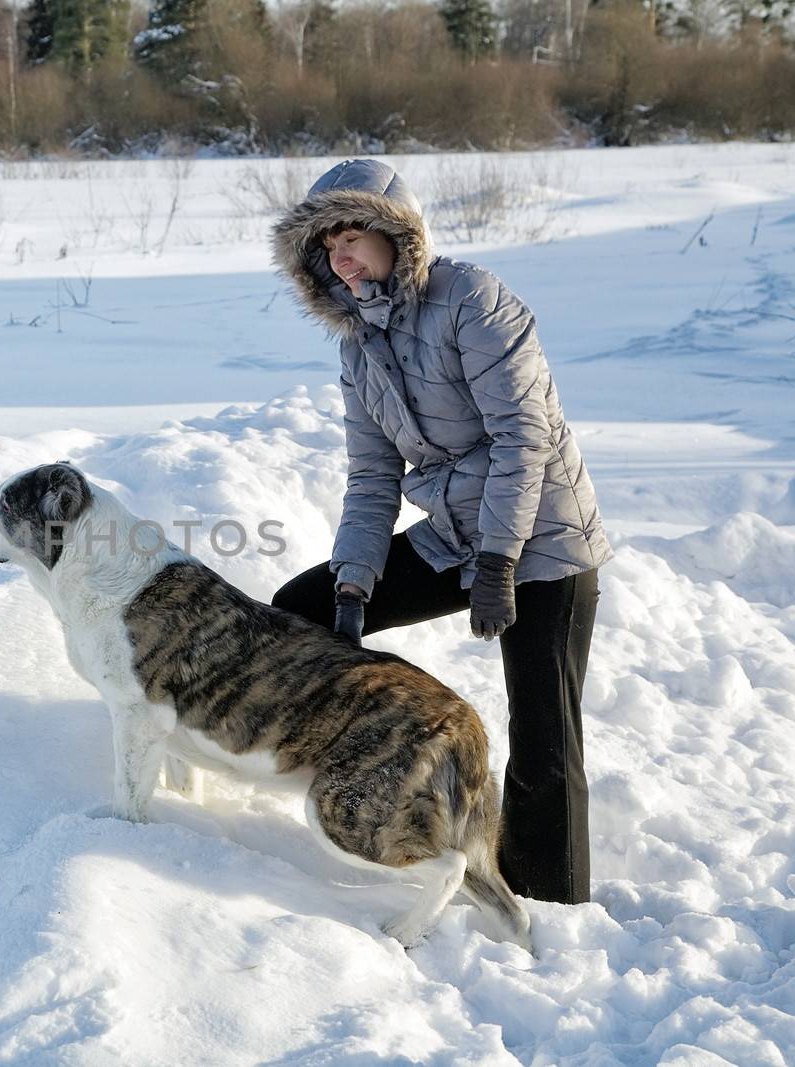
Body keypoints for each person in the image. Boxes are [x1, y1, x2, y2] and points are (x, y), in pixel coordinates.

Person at [267, 159, 612, 906]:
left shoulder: (473, 302)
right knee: (300, 608)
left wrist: (498, 560)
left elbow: (525, 440)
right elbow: (371, 478)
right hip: (456, 537)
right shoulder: (360, 346)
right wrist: (354, 582)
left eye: (351, 235)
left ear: (396, 232)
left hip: (545, 538)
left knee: (545, 735)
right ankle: (355, 784)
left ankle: (553, 901)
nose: (340, 256)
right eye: (325, 248)